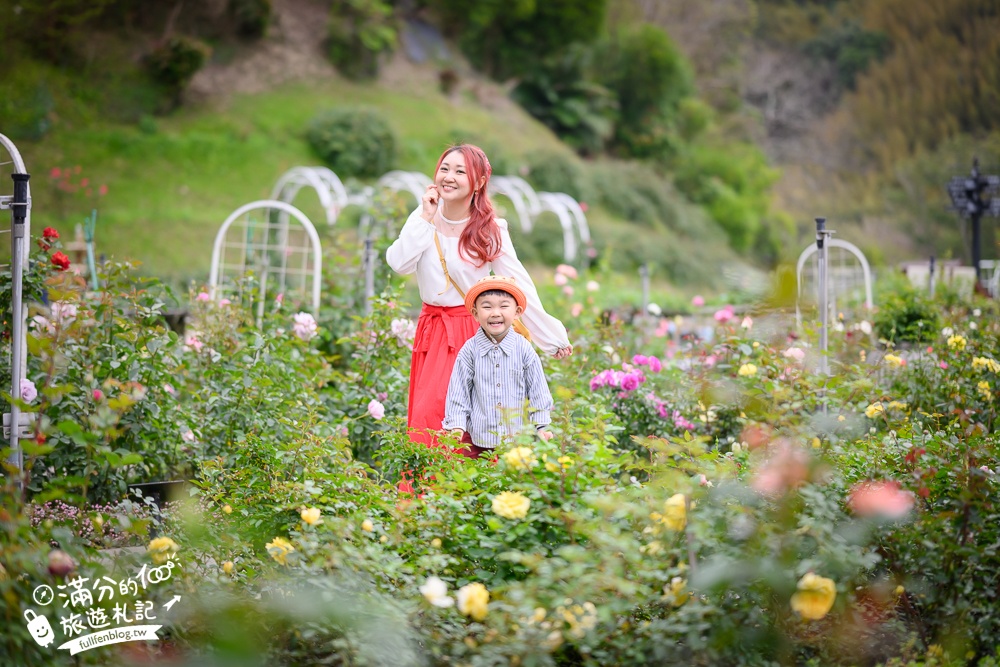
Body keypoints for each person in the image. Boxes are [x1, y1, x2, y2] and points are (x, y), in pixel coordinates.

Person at [385, 144, 572, 447]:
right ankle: (428, 480)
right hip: (433, 331)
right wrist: (425, 217)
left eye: (460, 171)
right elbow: (399, 263)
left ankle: (469, 479)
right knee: (429, 419)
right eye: (445, 169)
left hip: (471, 332)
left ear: (479, 182)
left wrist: (550, 336)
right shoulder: (422, 218)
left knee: (474, 423)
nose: (449, 177)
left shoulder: (489, 229)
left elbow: (519, 284)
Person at [442, 276, 554, 458]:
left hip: (517, 443)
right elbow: (458, 392)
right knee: (476, 475)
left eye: (503, 306)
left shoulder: (523, 349)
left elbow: (538, 391)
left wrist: (542, 426)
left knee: (515, 476)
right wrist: (456, 426)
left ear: (517, 312)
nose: (495, 313)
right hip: (479, 442)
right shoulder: (470, 350)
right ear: (475, 313)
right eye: (487, 307)